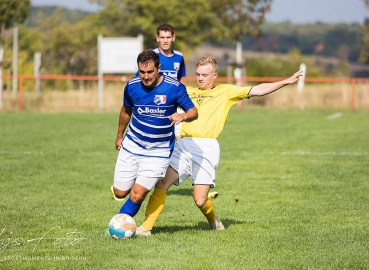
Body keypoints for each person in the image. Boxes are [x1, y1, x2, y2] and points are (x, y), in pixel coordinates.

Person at [135, 56, 303, 236]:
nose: (200, 78)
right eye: (198, 74)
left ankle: (214, 221)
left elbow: (258, 90)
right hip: (183, 144)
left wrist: (286, 81)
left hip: (206, 148)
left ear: (214, 75)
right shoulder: (186, 91)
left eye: (205, 75)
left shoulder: (225, 92)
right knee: (161, 184)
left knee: (200, 200)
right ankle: (145, 228)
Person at [111, 50, 198, 218]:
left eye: (150, 71)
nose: (146, 76)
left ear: (159, 68)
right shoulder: (132, 85)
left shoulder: (175, 87)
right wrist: (119, 136)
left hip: (159, 150)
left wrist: (183, 115)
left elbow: (194, 112)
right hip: (132, 144)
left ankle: (118, 225)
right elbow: (125, 111)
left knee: (137, 194)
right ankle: (127, 182)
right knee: (120, 193)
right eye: (142, 72)